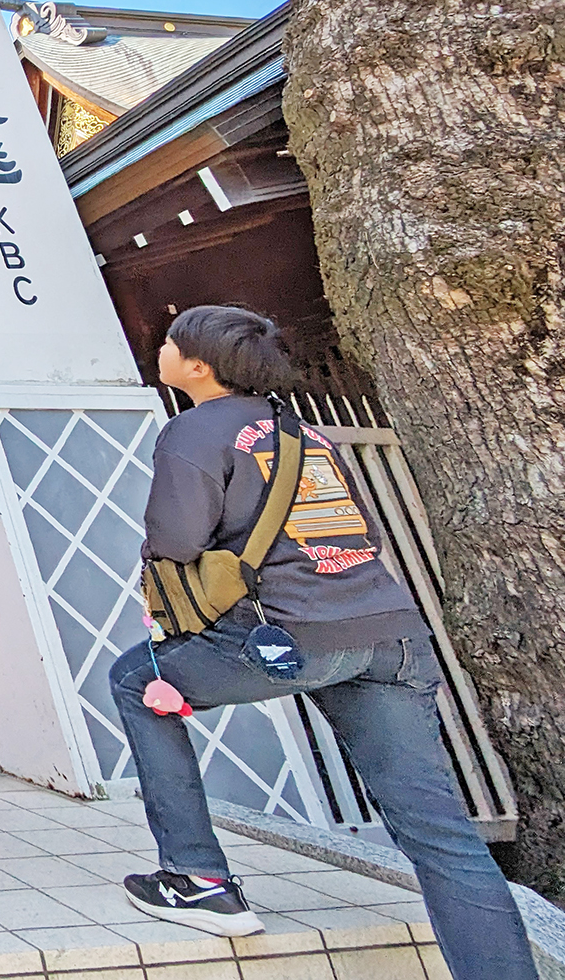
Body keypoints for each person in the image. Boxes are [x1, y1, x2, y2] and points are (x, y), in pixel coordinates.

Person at [110, 305, 535, 979]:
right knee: (442, 839)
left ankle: (198, 878)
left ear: (197, 365)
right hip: (387, 632)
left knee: (136, 681)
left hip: (287, 633)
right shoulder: (302, 431)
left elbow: (175, 541)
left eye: (169, 342)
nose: (159, 349)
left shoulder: (192, 432)